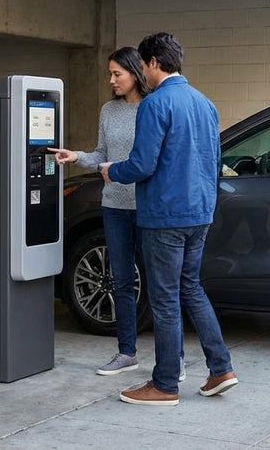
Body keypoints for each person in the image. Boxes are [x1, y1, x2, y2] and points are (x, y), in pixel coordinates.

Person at [102, 32, 237, 406]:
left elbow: (142, 164)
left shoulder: (155, 104)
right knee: (190, 288)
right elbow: (213, 163)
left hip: (164, 216)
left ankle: (164, 385)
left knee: (164, 300)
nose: (142, 72)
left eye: (142, 65)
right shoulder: (205, 103)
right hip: (199, 213)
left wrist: (112, 171)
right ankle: (221, 368)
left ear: (154, 64)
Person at [48, 47, 153, 376]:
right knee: (120, 281)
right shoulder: (109, 110)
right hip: (114, 207)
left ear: (135, 73)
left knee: (163, 285)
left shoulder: (154, 108)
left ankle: (172, 358)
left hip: (149, 208)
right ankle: (126, 353)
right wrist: (75, 156)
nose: (111, 80)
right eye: (110, 74)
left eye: (117, 74)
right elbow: (101, 155)